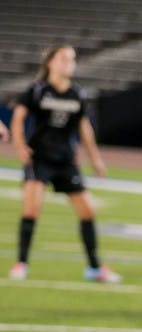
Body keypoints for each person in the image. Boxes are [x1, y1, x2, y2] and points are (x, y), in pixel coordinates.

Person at [8, 45, 120, 283]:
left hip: (66, 161)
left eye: (72, 59)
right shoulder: (37, 90)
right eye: (63, 58)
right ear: (50, 62)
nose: (69, 63)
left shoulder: (77, 93)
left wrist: (96, 159)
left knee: (88, 212)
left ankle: (93, 268)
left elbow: (84, 128)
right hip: (39, 159)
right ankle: (21, 263)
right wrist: (19, 146)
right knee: (31, 210)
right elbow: (18, 117)